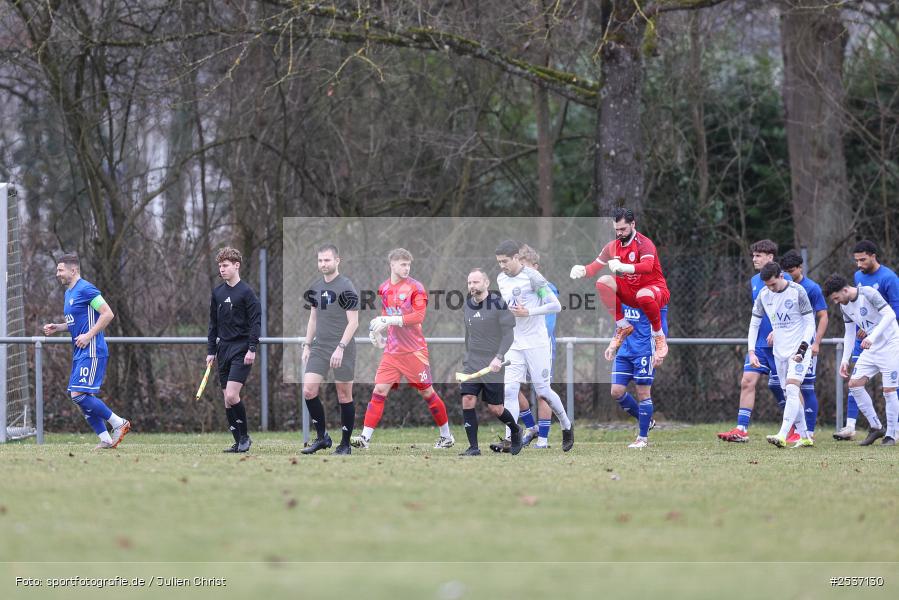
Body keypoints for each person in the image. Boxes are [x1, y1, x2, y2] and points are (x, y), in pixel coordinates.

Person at [352, 248, 455, 449]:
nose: (406, 268)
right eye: (402, 264)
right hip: (392, 352)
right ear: (392, 265)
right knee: (379, 390)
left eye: (408, 264)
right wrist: (378, 333)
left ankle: (447, 436)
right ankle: (365, 438)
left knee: (427, 393)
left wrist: (388, 319)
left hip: (414, 351)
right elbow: (385, 313)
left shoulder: (416, 287)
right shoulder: (384, 288)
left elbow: (418, 317)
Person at [42, 253, 130, 450]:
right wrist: (58, 327)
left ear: (73, 270)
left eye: (60, 270)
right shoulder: (69, 294)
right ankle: (106, 439)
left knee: (78, 395)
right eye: (57, 270)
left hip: (92, 350)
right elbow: (76, 323)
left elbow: (108, 313)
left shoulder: (86, 289)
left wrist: (89, 335)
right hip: (80, 351)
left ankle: (119, 423)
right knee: (80, 398)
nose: (57, 274)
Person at [495, 240, 573, 452]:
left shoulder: (533, 277)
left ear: (516, 258)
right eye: (499, 262)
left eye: (505, 261)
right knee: (510, 390)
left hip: (537, 342)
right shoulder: (501, 279)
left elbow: (555, 306)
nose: (501, 265)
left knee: (543, 391)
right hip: (515, 342)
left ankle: (566, 425)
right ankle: (512, 438)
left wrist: (529, 312)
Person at [570, 207, 670, 365]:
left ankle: (659, 336)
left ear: (633, 224)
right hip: (632, 293)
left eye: (623, 229)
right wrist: (582, 270)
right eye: (617, 230)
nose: (619, 233)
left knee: (643, 295)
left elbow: (647, 266)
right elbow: (593, 268)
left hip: (655, 291)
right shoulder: (612, 246)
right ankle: (623, 326)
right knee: (602, 282)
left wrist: (623, 267)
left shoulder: (645, 243)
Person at [717, 240, 789, 442]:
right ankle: (741, 429)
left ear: (770, 257)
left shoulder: (786, 279)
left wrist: (780, 331)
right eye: (753, 255)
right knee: (747, 381)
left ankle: (796, 428)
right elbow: (758, 315)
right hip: (760, 345)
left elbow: (793, 313)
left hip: (782, 345)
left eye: (758, 255)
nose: (754, 259)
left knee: (788, 387)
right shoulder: (754, 281)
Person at [834, 240, 899, 441]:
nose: (859, 264)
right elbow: (858, 310)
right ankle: (871, 426)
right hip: (869, 341)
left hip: (888, 339)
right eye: (856, 260)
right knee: (854, 383)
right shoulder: (857, 278)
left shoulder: (889, 278)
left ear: (873, 256)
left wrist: (873, 333)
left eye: (863, 259)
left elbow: (893, 311)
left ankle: (892, 434)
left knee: (890, 389)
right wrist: (865, 328)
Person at [746, 263, 816, 448]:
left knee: (792, 389)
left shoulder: (797, 291)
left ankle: (782, 434)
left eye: (773, 284)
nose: (770, 288)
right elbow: (754, 324)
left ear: (782, 276)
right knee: (789, 393)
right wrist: (751, 351)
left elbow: (810, 323)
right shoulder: (764, 295)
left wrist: (803, 347)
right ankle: (805, 436)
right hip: (779, 352)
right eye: (767, 285)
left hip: (799, 350)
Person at [300, 244, 360, 455]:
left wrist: (341, 348)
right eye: (320, 260)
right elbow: (313, 318)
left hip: (342, 348)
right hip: (320, 347)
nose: (323, 264)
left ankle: (345, 445)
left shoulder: (346, 286)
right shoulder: (316, 287)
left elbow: (353, 323)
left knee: (344, 395)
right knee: (308, 390)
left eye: (327, 260)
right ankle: (322, 437)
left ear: (337, 261)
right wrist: (307, 345)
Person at [459, 268, 521, 456]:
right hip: (473, 362)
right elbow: (468, 335)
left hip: (493, 362)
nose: (472, 286)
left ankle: (516, 431)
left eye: (476, 282)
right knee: (467, 399)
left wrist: (499, 357)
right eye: (470, 282)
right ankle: (473, 447)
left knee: (496, 408)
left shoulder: (498, 304)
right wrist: (468, 356)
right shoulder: (468, 305)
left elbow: (509, 335)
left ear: (486, 283)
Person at [206, 247, 261, 453]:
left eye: (226, 265)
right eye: (220, 266)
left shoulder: (247, 293)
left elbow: (256, 322)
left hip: (242, 349)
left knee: (231, 395)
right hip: (223, 350)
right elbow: (213, 324)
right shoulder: (218, 293)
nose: (222, 269)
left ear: (236, 266)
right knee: (226, 400)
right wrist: (211, 351)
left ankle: (245, 436)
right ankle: (238, 441)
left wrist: (252, 348)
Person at [779, 250, 828, 442]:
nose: (789, 275)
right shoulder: (782, 288)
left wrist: (816, 342)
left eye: (792, 270)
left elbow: (823, 316)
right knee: (789, 387)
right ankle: (798, 429)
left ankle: (810, 431)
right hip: (787, 345)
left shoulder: (811, 288)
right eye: (786, 271)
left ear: (800, 268)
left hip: (805, 345)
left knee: (806, 387)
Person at [516, 244, 560, 448]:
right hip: (519, 344)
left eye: (525, 267)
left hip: (541, 345)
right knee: (510, 388)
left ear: (536, 266)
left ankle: (543, 438)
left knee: (542, 392)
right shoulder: (518, 288)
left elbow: (548, 323)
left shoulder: (547, 288)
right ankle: (530, 426)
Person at [609, 303, 667, 448]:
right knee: (616, 391)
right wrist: (613, 344)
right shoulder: (622, 295)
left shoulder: (653, 294)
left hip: (645, 351)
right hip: (624, 352)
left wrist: (660, 350)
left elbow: (662, 323)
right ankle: (647, 421)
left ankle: (642, 438)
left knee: (643, 393)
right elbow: (620, 324)